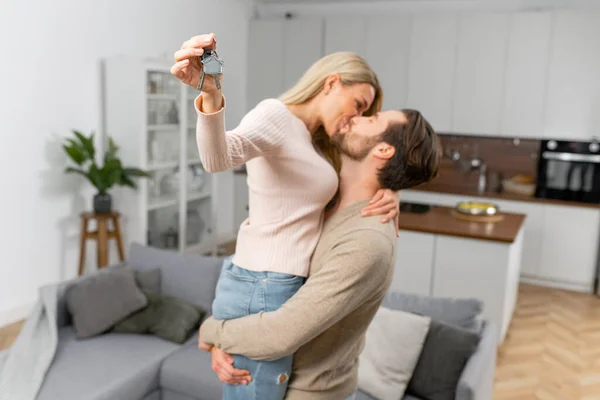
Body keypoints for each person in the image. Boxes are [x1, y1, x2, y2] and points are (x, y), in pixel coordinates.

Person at [170, 33, 400, 400]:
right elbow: (218, 159)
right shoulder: (276, 116)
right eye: (357, 105)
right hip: (262, 284)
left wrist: (390, 190)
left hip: (275, 285)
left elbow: (357, 178)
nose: (355, 118)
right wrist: (212, 96)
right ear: (331, 83)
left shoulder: (319, 141)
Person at [199, 108, 442, 400]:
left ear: (384, 149)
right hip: (267, 373)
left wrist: (212, 331)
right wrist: (226, 345)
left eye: (372, 120)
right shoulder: (329, 201)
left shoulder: (367, 241)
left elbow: (282, 333)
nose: (356, 117)